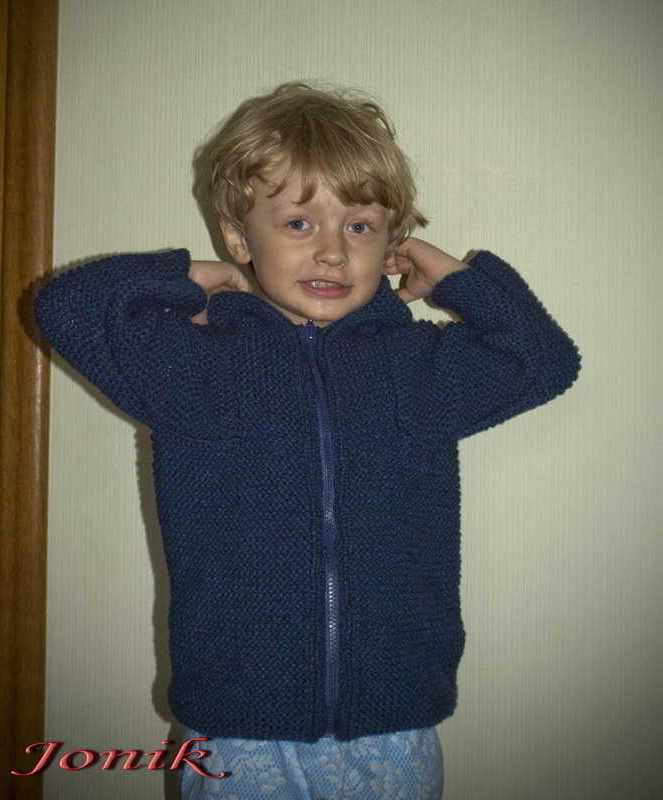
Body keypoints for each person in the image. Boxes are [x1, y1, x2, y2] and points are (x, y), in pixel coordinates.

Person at [34, 82, 582, 799]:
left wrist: (456, 278)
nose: (331, 250)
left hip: (392, 720)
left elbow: (542, 361)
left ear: (390, 243)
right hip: (237, 724)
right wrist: (191, 278)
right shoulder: (198, 366)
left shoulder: (415, 368)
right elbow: (68, 307)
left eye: (359, 226)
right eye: (298, 222)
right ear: (239, 236)